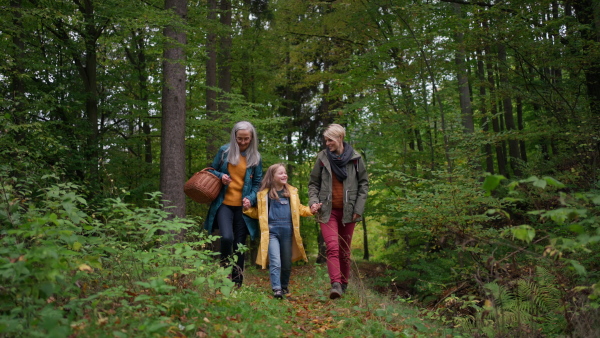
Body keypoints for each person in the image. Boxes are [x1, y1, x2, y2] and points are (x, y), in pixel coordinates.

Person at [308, 124, 369, 299]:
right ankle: (335, 285)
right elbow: (313, 184)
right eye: (325, 140)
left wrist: (358, 208)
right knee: (332, 248)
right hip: (327, 211)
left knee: (344, 251)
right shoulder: (322, 158)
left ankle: (344, 284)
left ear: (340, 138)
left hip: (349, 212)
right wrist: (313, 202)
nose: (327, 143)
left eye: (330, 140)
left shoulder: (356, 159)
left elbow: (364, 184)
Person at [244, 164, 319, 299]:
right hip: (271, 232)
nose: (284, 175)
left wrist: (310, 210)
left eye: (285, 173)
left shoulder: (291, 193)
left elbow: (300, 209)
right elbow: (259, 213)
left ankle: (284, 286)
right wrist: (248, 209)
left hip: (288, 232)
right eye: (281, 173)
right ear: (272, 177)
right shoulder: (264, 195)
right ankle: (277, 289)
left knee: (286, 263)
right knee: (275, 261)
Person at [204, 121, 263, 287]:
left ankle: (237, 282)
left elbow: (258, 183)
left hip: (243, 207)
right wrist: (221, 176)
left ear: (252, 139)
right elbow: (210, 170)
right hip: (224, 203)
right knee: (227, 237)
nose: (243, 142)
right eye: (239, 138)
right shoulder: (225, 151)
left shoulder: (256, 157)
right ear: (234, 137)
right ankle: (225, 273)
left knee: (239, 244)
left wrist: (250, 198)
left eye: (246, 139)